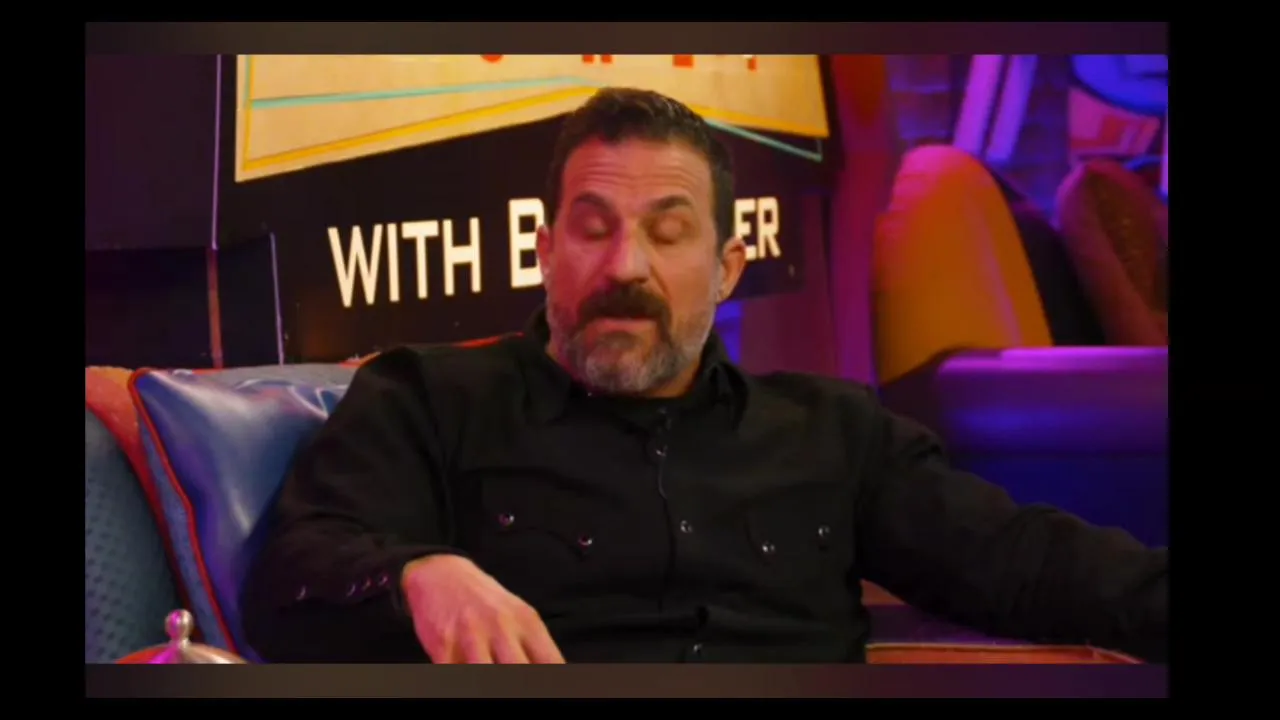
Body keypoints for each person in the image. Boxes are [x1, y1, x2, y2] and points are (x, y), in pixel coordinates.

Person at [240, 87, 1168, 664]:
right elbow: (291, 577)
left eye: (668, 232)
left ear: (726, 269)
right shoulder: (430, 401)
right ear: (545, 253)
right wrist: (415, 574)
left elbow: (1023, 560)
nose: (625, 266)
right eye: (593, 229)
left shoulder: (833, 435)